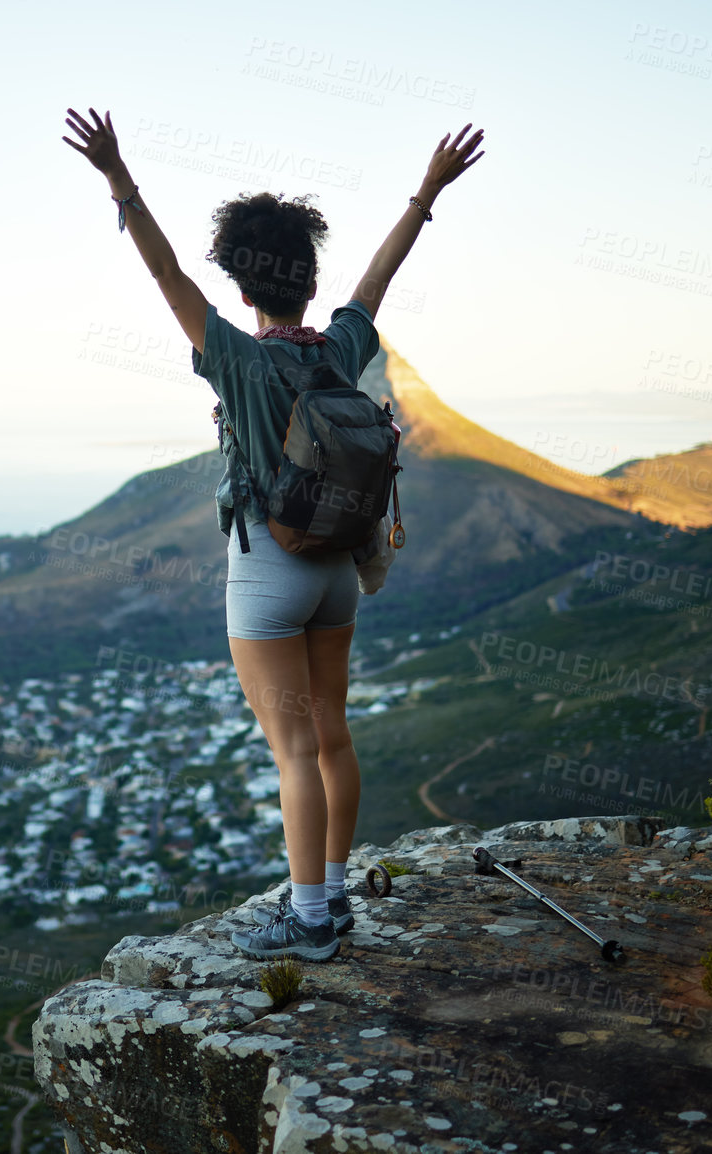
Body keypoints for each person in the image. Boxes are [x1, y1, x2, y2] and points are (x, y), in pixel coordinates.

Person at [62, 107, 485, 960]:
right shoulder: (342, 347)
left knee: (290, 749)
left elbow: (167, 275)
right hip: (338, 570)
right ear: (304, 279)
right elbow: (376, 279)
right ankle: (329, 895)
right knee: (331, 735)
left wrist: (118, 178)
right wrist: (426, 192)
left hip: (266, 574)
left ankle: (310, 922)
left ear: (245, 289)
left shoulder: (235, 357)